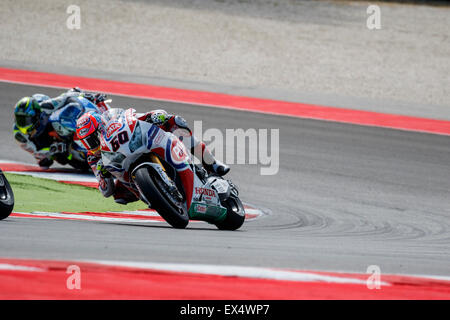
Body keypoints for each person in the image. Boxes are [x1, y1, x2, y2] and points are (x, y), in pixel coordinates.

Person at [76, 108, 230, 204]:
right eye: (87, 142)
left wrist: (154, 116)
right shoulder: (93, 157)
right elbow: (106, 190)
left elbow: (134, 117)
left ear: (100, 127)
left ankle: (211, 162)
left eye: (92, 139)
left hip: (137, 145)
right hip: (126, 172)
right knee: (118, 196)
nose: (91, 145)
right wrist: (104, 177)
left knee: (174, 122)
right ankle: (155, 196)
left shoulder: (114, 121)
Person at [13, 88, 108, 169]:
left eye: (26, 120)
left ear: (36, 115)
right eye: (20, 119)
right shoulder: (19, 135)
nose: (23, 124)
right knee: (48, 162)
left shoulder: (45, 106)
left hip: (56, 132)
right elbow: (37, 153)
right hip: (49, 151)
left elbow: (65, 97)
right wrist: (55, 149)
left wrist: (86, 95)